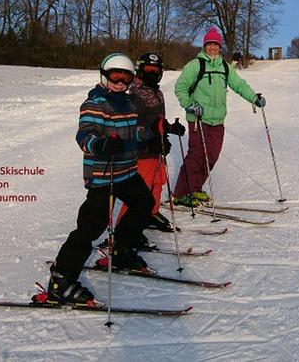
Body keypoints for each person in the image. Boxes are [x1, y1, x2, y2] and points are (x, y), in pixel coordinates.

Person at [38, 53, 162, 307]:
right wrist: (101, 144)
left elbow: (133, 132)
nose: (119, 83)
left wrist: (152, 132)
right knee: (91, 227)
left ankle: (122, 252)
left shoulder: (128, 103)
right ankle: (61, 280)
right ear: (104, 76)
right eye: (115, 77)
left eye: (125, 78)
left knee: (143, 203)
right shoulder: (95, 103)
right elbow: (84, 136)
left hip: (126, 171)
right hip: (104, 174)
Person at [172, 27, 265, 206]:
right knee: (197, 155)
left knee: (211, 156)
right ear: (205, 46)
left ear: (219, 47)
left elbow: (239, 85)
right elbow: (181, 87)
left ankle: (195, 188)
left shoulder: (224, 67)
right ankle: (182, 193)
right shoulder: (195, 65)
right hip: (198, 119)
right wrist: (189, 105)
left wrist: (254, 98)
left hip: (218, 121)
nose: (213, 48)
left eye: (216, 45)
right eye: (210, 44)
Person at [116, 52, 185, 235]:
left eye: (156, 70)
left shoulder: (156, 92)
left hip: (155, 148)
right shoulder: (133, 93)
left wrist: (169, 128)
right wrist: (151, 135)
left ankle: (150, 213)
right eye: (148, 69)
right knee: (140, 191)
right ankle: (122, 232)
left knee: (158, 182)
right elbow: (128, 128)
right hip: (141, 151)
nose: (152, 73)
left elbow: (155, 120)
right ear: (140, 69)